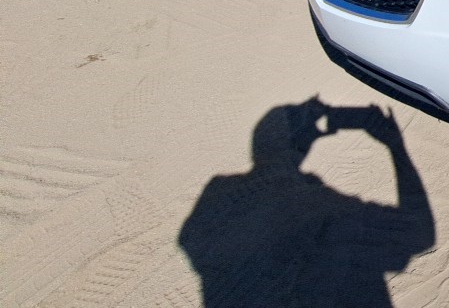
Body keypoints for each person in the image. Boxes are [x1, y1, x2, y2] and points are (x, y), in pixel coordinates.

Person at [179, 98, 434, 307]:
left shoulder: (220, 191)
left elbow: (192, 241)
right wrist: (396, 147)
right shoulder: (312, 200)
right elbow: (420, 234)